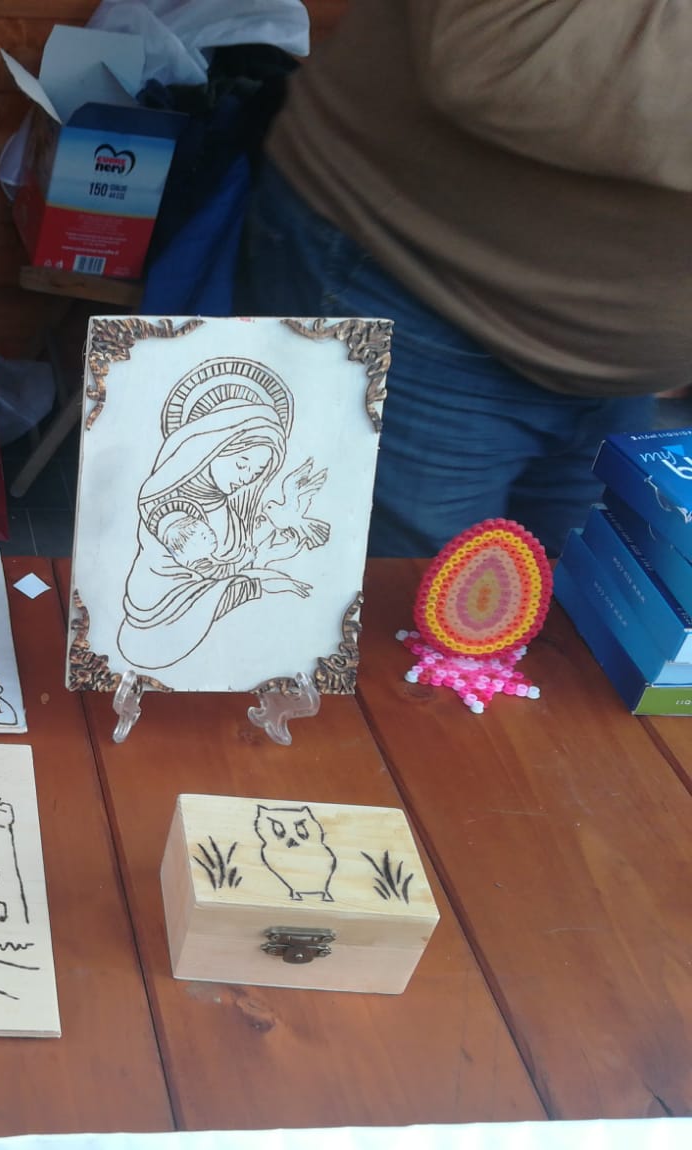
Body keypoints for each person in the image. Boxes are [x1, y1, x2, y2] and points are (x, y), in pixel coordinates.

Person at [233, 1, 689, 557]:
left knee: (566, 602)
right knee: (369, 598)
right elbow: (505, 50)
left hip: (627, 372)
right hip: (421, 291)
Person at [119, 394, 313, 671]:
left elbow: (230, 563)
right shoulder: (172, 504)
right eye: (242, 464)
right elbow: (197, 560)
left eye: (257, 472)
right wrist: (258, 583)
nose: (247, 477)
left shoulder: (222, 505)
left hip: (212, 618)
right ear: (212, 448)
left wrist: (268, 553)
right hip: (164, 611)